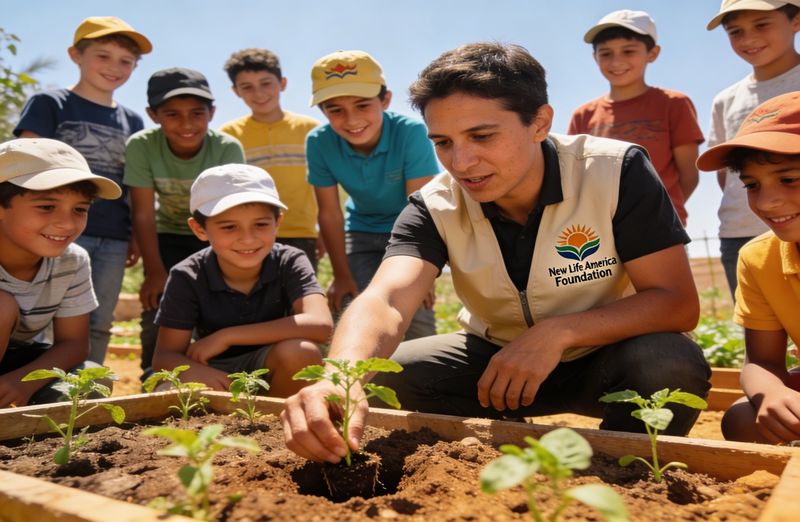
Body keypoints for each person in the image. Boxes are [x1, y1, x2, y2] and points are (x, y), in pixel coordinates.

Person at [281, 42, 711, 464]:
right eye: (443, 142)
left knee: (669, 361)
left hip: (605, 358)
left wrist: (557, 332)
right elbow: (387, 298)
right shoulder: (435, 204)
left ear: (540, 123)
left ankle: (623, 474)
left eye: (482, 136)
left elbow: (675, 303)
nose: (462, 162)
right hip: (496, 366)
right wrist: (340, 379)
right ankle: (478, 466)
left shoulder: (615, 171)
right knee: (393, 374)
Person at [13, 16, 151, 365]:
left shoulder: (132, 121)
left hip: (112, 235)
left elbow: (133, 182)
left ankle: (86, 393)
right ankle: (35, 390)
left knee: (98, 321)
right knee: (40, 320)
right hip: (52, 229)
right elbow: (25, 166)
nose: (114, 68)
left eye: (126, 61)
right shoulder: (51, 103)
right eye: (103, 56)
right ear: (76, 55)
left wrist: (134, 233)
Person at [151, 164, 332, 395]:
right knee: (168, 392)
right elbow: (165, 355)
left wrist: (228, 336)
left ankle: (279, 424)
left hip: (273, 370)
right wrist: (201, 374)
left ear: (278, 222)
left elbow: (321, 325)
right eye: (229, 227)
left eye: (261, 224)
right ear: (199, 229)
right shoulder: (187, 275)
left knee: (301, 352)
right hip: (213, 369)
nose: (248, 239)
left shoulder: (290, 260)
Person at [306, 50, 438, 339]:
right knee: (357, 305)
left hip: (410, 232)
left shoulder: (411, 133)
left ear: (385, 100)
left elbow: (420, 207)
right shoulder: (319, 143)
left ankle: (422, 374)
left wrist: (425, 271)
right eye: (335, 109)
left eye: (362, 105)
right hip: (362, 230)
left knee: (415, 310)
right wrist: (341, 275)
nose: (351, 119)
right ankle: (364, 378)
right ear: (323, 112)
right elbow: (329, 212)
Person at [123, 67, 245, 380]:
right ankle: (154, 378)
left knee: (222, 306)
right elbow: (143, 211)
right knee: (158, 308)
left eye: (197, 113)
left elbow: (233, 211)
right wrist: (153, 270)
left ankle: (223, 376)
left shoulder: (227, 148)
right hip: (167, 236)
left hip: (215, 235)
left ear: (212, 112)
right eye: (172, 114)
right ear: (153, 115)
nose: (187, 124)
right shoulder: (141, 146)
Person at [697, 92, 800, 444]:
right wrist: (773, 395)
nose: (768, 201)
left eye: (789, 179)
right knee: (743, 419)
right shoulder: (759, 258)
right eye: (753, 185)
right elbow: (761, 362)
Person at [0, 138, 122, 407]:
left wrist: (20, 383)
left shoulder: (72, 261)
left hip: (16, 365)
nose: (67, 223)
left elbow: (74, 344)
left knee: (93, 378)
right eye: (46, 206)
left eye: (80, 209)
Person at [568, 9, 704, 227]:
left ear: (653, 53)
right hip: (603, 227)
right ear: (595, 57)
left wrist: (659, 210)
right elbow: (576, 176)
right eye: (606, 53)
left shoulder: (674, 104)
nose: (616, 61)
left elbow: (689, 175)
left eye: (628, 51)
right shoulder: (583, 115)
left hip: (661, 225)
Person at [705, 0, 800, 296]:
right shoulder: (726, 100)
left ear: (796, 20)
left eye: (761, 25)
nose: (748, 39)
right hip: (741, 233)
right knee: (759, 326)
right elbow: (726, 172)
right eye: (735, 31)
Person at [220, 48, 322, 269]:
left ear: (282, 83)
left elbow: (322, 186)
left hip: (302, 232)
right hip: (248, 236)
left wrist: (320, 230)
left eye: (266, 83)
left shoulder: (310, 130)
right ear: (235, 91)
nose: (258, 93)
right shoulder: (228, 135)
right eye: (247, 87)